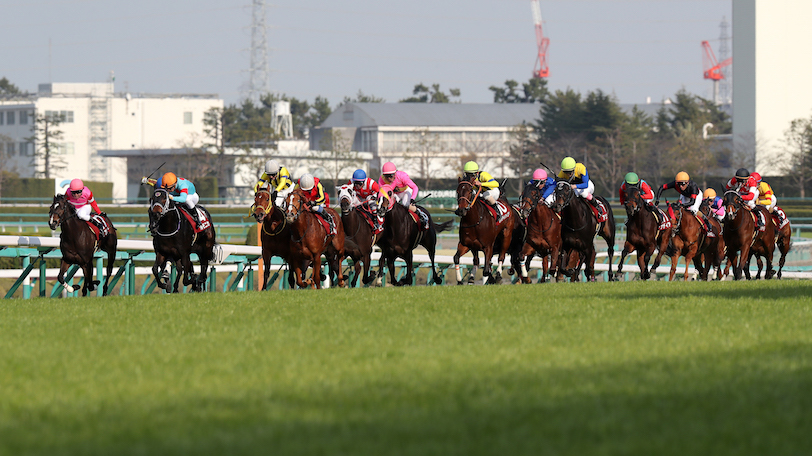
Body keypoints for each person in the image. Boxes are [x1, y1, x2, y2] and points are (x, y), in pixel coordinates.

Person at [378, 161, 428, 227]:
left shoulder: (402, 176)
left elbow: (415, 187)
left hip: (405, 191)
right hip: (395, 194)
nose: (389, 179)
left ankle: (421, 215)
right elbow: (382, 193)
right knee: (389, 205)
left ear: (395, 173)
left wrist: (412, 198)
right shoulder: (382, 179)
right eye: (386, 176)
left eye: (390, 176)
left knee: (405, 204)